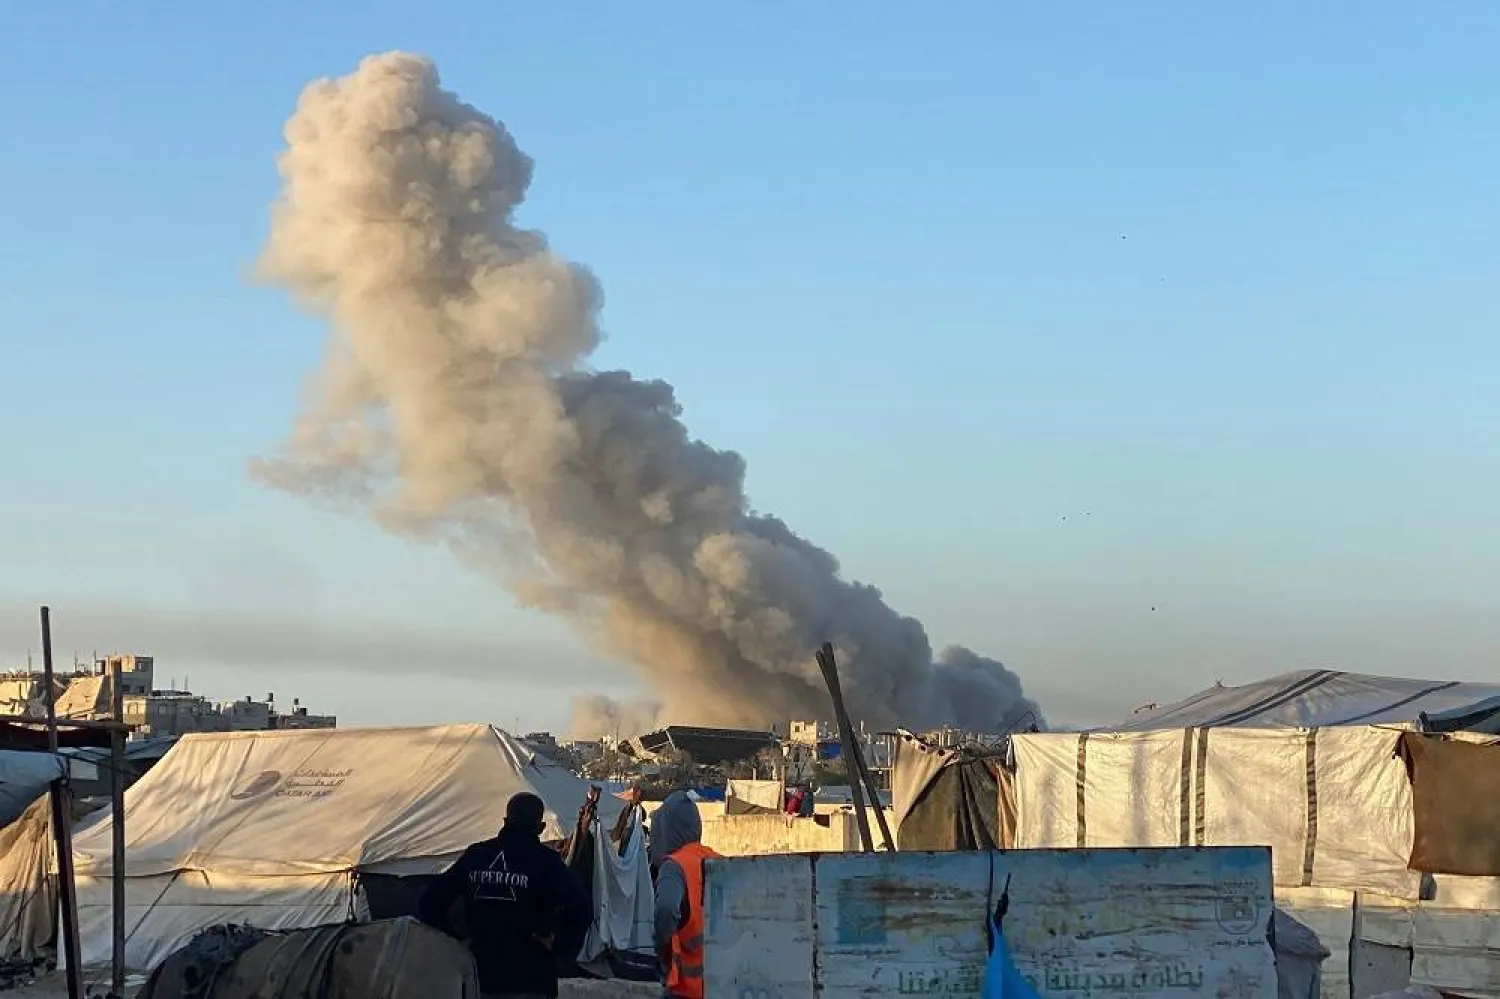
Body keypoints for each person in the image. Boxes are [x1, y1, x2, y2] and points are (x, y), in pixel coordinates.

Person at [418, 792, 592, 999]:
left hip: (478, 975)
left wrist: (457, 942)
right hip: (530, 976)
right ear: (541, 828)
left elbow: (429, 903)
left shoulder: (476, 855)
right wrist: (560, 948)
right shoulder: (546, 862)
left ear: (505, 820)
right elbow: (581, 906)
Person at [651, 790, 722, 999]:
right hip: (722, 984)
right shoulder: (718, 860)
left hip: (686, 989)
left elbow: (665, 910)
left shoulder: (674, 867)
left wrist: (661, 947)